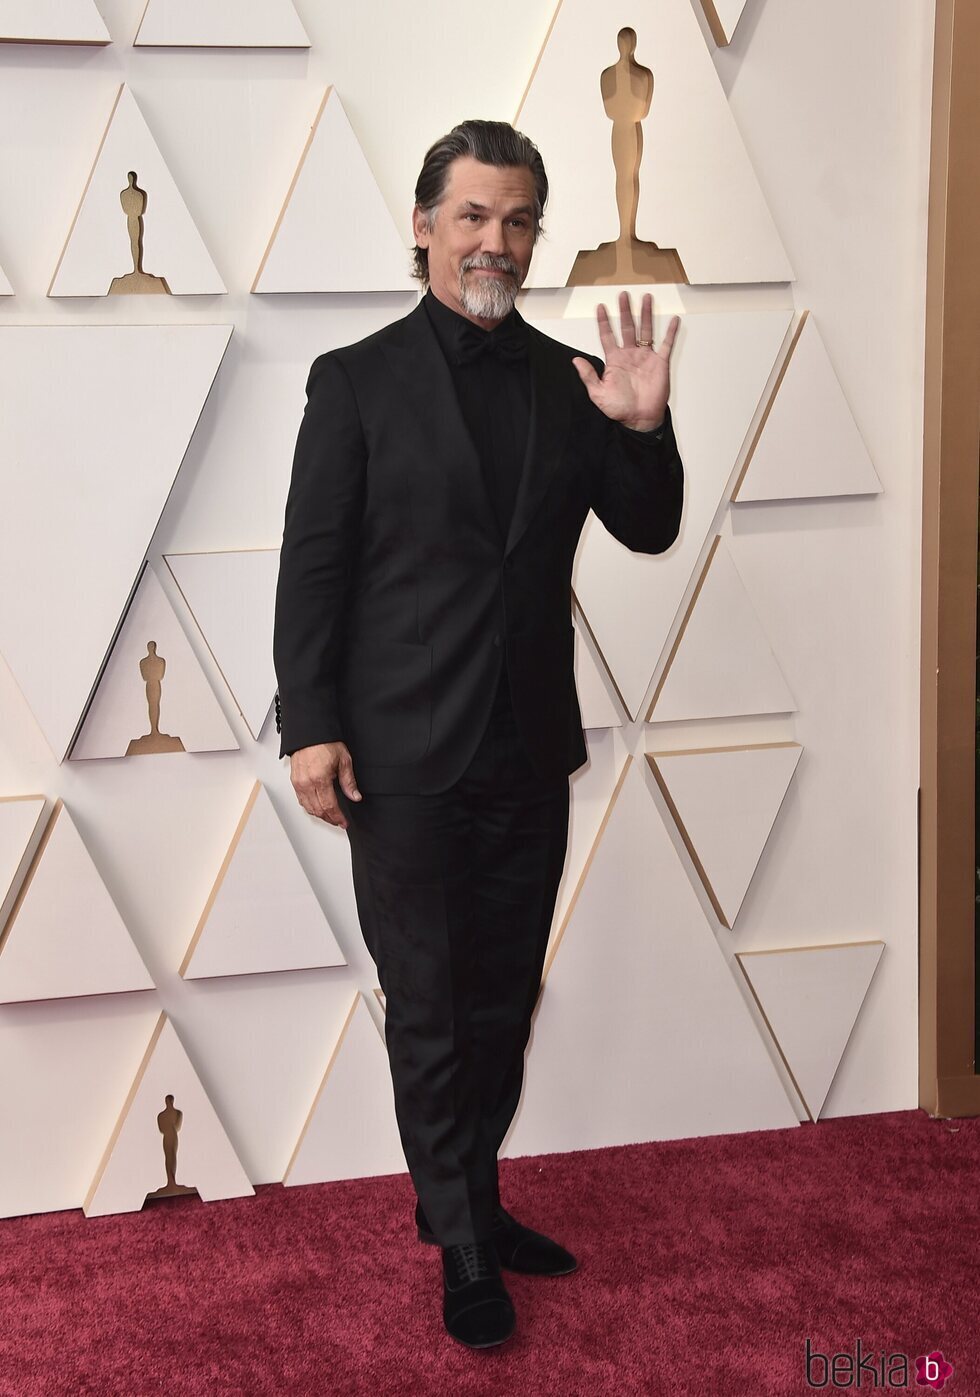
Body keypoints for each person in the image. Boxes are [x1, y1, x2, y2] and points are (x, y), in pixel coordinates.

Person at [272, 119, 683, 1351]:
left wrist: (642, 424)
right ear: (422, 225)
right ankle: (458, 1236)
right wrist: (311, 725)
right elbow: (315, 567)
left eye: (514, 220)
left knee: (502, 998)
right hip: (397, 754)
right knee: (432, 1005)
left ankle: (471, 1198)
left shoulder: (572, 379)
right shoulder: (353, 379)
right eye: (469, 216)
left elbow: (649, 530)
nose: (492, 241)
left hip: (523, 746)